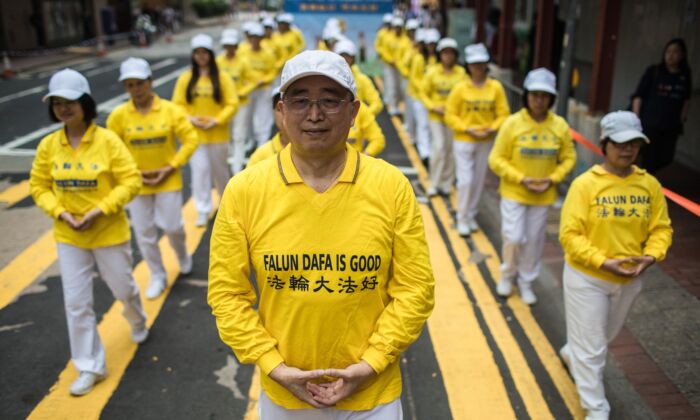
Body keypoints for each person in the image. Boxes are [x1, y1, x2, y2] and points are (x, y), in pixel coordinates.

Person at [208, 50, 435, 418]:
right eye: (300, 102)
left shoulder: (390, 186)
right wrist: (274, 365)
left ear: (354, 110)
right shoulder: (245, 190)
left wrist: (372, 362)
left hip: (371, 396)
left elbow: (415, 289)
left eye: (330, 101)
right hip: (286, 393)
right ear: (281, 110)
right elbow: (227, 293)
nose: (314, 115)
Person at [29, 69, 147, 396]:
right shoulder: (48, 146)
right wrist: (61, 212)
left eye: (70, 102)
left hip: (109, 232)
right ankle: (90, 365)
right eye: (57, 103)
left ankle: (136, 318)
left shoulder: (108, 141)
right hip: (70, 236)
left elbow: (130, 181)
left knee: (123, 289)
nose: (64, 108)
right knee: (77, 303)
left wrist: (100, 209)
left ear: (85, 103)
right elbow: (39, 186)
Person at [559, 111, 672, 420]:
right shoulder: (585, 185)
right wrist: (604, 262)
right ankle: (596, 409)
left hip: (630, 280)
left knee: (600, 339)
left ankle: (573, 354)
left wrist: (651, 256)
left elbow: (661, 228)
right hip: (588, 278)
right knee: (594, 348)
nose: (627, 150)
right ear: (604, 144)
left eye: (635, 143)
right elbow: (569, 235)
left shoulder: (649, 185)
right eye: (621, 143)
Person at [107, 57, 199, 299]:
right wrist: (134, 173)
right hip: (136, 184)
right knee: (144, 233)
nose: (136, 90)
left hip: (167, 179)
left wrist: (171, 166)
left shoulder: (170, 110)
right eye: (130, 85)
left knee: (173, 226)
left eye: (140, 83)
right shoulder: (118, 116)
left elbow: (190, 139)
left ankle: (181, 255)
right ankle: (157, 274)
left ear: (150, 82)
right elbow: (112, 150)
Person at [488, 68, 576, 305]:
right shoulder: (512, 124)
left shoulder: (559, 126)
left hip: (543, 195)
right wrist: (520, 178)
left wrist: (553, 178)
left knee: (535, 241)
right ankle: (507, 275)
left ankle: (526, 282)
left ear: (551, 99)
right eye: (534, 94)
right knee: (514, 237)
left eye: (544, 95)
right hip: (514, 192)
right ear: (526, 95)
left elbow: (569, 158)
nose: (539, 100)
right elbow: (496, 159)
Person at [172, 34, 238, 227]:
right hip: (195, 136)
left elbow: (232, 103)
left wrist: (216, 121)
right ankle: (202, 209)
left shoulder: (222, 78)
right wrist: (190, 118)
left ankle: (227, 206)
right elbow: (177, 104)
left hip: (218, 135)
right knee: (199, 173)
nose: (201, 56)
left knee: (221, 173)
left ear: (210, 54)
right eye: (197, 53)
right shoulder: (185, 79)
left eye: (204, 53)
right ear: (193, 55)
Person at [445, 43, 510, 236]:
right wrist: (467, 128)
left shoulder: (495, 87)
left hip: (485, 140)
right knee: (465, 180)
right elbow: (450, 115)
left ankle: (471, 214)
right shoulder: (459, 88)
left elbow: (503, 113)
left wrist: (491, 128)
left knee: (478, 180)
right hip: (464, 139)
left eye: (481, 63)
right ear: (468, 66)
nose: (478, 68)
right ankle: (462, 217)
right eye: (474, 64)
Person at [631, 38, 692, 173]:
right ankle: (645, 184)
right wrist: (636, 120)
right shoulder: (654, 71)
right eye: (668, 51)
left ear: (682, 55)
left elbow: (686, 99)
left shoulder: (685, 76)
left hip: (671, 127)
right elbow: (638, 96)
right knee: (648, 159)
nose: (671, 55)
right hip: (650, 125)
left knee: (666, 158)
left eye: (675, 52)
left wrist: (682, 118)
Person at [420, 37, 467, 197]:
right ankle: (434, 182)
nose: (448, 56)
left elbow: (465, 94)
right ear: (440, 54)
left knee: (450, 150)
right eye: (445, 53)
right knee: (439, 147)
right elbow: (423, 93)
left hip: (454, 117)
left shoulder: (461, 74)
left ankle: (446, 184)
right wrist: (434, 106)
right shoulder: (432, 71)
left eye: (451, 53)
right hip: (436, 116)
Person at [216, 29, 261, 174]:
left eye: (232, 45)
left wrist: (241, 92)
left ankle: (236, 169)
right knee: (225, 136)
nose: (229, 48)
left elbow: (254, 81)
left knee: (239, 136)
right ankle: (227, 161)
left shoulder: (243, 62)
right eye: (226, 45)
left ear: (236, 46)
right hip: (223, 106)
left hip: (241, 105)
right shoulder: (218, 61)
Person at [239, 23, 278, 149]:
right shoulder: (243, 52)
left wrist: (264, 80)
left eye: (258, 37)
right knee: (247, 118)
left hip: (263, 89)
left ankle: (262, 143)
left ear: (261, 38)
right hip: (248, 90)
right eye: (252, 37)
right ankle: (251, 140)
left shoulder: (268, 53)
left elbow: (273, 71)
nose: (255, 40)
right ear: (249, 38)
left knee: (263, 117)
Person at [409, 28, 439, 167]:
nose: (431, 46)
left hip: (435, 100)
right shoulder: (419, 58)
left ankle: (431, 152)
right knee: (423, 124)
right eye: (429, 43)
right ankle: (424, 152)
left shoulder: (438, 60)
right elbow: (414, 78)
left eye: (434, 43)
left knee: (432, 127)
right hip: (419, 98)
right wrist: (424, 91)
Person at [333, 39, 384, 116]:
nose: (344, 59)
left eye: (347, 56)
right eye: (341, 56)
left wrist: (361, 116)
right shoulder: (329, 79)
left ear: (353, 58)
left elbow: (377, 103)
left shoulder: (362, 79)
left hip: (357, 125)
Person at [247, 87, 288, 166]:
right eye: (279, 109)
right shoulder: (260, 156)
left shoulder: (315, 150)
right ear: (273, 112)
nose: (284, 113)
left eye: (290, 107)